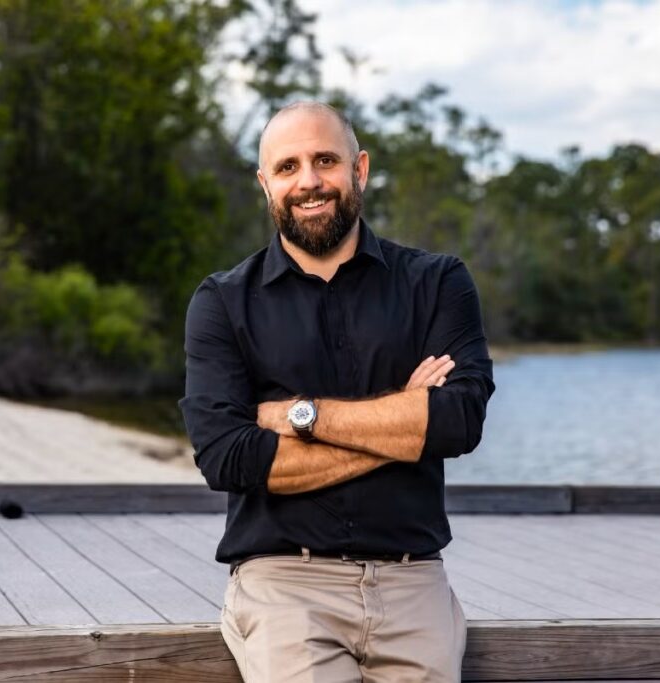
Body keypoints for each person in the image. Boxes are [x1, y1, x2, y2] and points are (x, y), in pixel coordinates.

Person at [179, 101, 495, 682]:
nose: (309, 181)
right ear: (265, 183)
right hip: (284, 584)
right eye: (288, 166)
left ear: (360, 169)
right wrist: (403, 420)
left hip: (413, 583)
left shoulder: (437, 282)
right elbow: (228, 457)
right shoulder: (222, 302)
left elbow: (457, 421)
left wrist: (298, 416)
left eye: (325, 160)